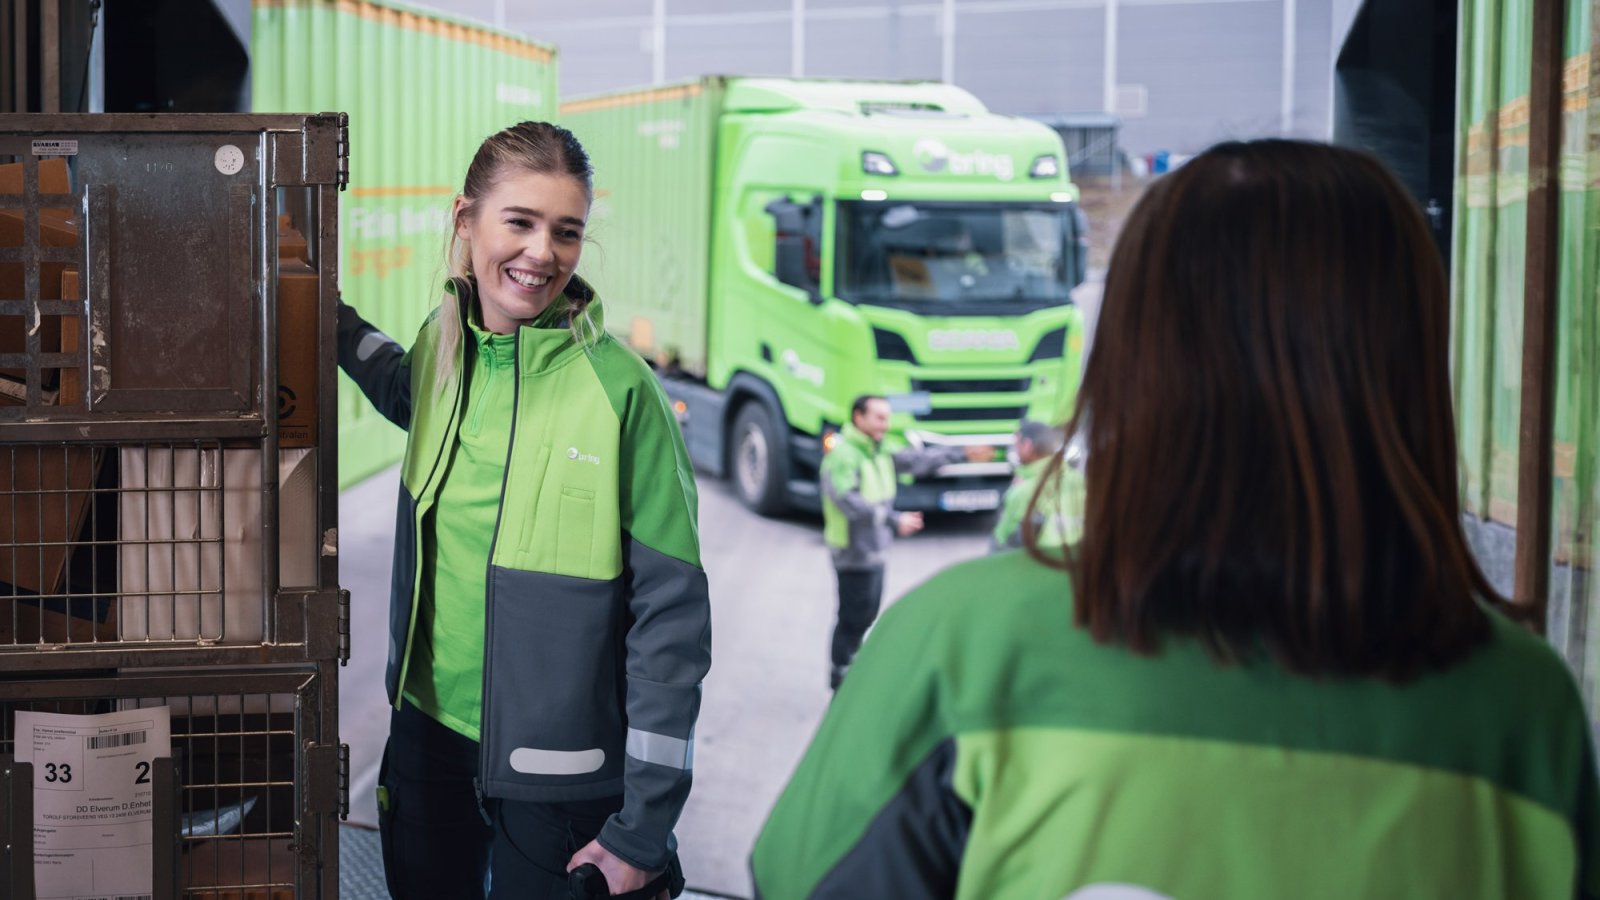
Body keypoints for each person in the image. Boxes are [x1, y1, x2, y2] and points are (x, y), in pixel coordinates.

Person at [751, 140, 1600, 898]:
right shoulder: (1527, 710)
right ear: (1414, 367)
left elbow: (799, 878)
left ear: (1130, 355)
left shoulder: (962, 643)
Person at [335, 121, 709, 900]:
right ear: (464, 220)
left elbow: (671, 624)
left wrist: (642, 827)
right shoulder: (443, 351)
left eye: (565, 232)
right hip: (426, 738)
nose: (542, 252)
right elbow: (404, 389)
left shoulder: (622, 393)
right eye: (521, 222)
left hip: (560, 780)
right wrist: (324, 313)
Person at [821, 394, 989, 689]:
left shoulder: (878, 450)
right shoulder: (844, 456)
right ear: (859, 418)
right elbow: (848, 501)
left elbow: (917, 461)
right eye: (880, 418)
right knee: (852, 617)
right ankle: (840, 677)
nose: (886, 424)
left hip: (875, 549)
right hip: (853, 551)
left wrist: (961, 454)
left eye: (887, 417)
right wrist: (894, 520)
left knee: (867, 613)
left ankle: (852, 668)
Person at [988, 417, 1083, 551]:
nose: (1015, 450)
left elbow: (1001, 542)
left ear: (1027, 446)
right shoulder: (1083, 482)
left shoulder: (1023, 492)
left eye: (1017, 444)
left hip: (1043, 565)